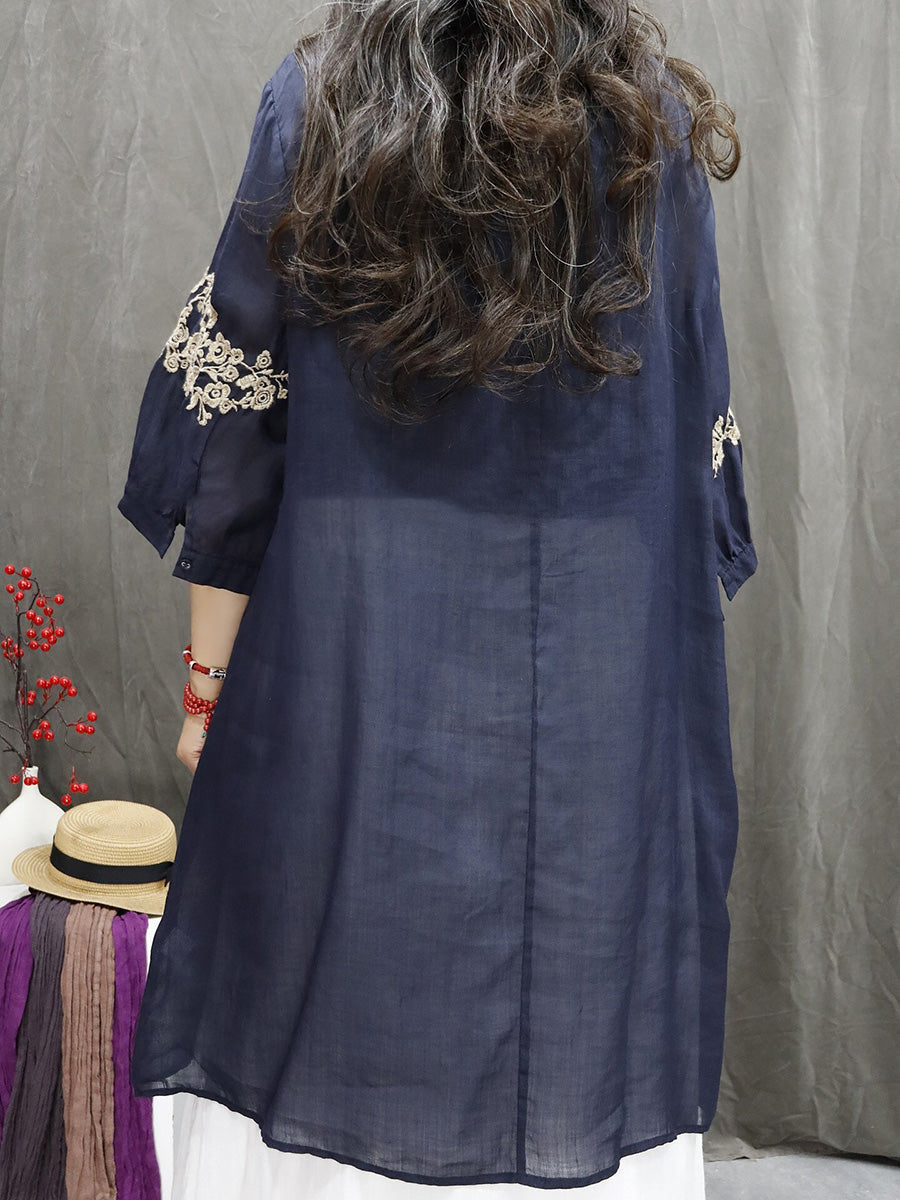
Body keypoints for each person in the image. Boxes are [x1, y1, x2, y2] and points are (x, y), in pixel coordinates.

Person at [116, 3, 758, 1198]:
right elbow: (686, 428)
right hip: (590, 712)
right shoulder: (652, 122)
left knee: (330, 980)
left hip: (351, 663)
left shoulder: (317, 104)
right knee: (576, 1005)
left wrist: (204, 695)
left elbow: (238, 440)